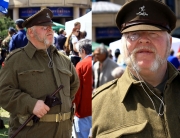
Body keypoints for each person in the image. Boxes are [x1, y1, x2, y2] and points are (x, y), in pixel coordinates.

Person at [92, 0, 180, 137]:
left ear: (169, 42)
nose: (143, 40)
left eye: (153, 32)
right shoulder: (98, 105)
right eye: (134, 34)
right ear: (123, 45)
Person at [0, 8, 79, 138]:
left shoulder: (64, 60)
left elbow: (74, 85)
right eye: (44, 27)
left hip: (63, 133)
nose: (50, 29)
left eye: (50, 27)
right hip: (32, 133)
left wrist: (64, 105)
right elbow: (3, 91)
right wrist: (30, 104)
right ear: (30, 32)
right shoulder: (16, 60)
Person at [73, 39, 92, 138]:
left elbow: (77, 89)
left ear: (83, 51)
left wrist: (74, 107)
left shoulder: (81, 65)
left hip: (84, 110)